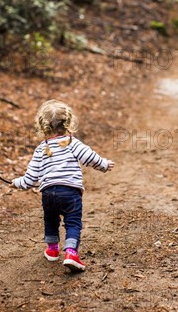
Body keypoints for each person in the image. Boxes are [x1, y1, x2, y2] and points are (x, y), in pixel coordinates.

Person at [11, 99, 115, 271]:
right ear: (68, 123)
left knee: (50, 220)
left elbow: (30, 179)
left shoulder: (40, 149)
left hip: (48, 194)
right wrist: (104, 165)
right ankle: (71, 253)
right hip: (70, 193)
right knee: (73, 222)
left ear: (43, 126)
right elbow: (90, 158)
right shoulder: (72, 143)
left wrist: (16, 183)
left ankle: (52, 250)